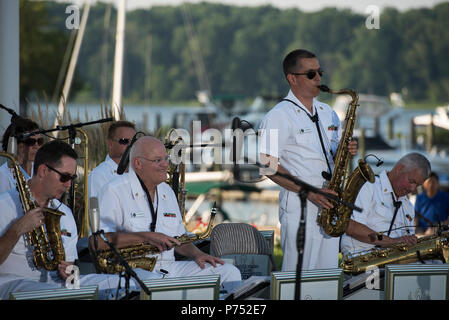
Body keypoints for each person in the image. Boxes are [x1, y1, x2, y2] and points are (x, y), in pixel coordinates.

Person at [0, 140, 158, 300]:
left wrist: (71, 271)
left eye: (72, 178)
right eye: (64, 177)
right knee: (57, 294)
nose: (69, 184)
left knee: (137, 282)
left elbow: (71, 268)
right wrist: (17, 229)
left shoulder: (64, 213)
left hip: (59, 283)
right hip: (14, 283)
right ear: (43, 171)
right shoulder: (4, 206)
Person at [97, 136, 242, 293]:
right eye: (158, 160)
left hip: (169, 269)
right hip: (132, 270)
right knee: (155, 284)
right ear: (138, 163)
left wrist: (198, 254)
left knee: (229, 272)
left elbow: (179, 237)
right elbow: (99, 241)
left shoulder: (167, 191)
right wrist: (146, 237)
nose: (166, 164)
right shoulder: (114, 190)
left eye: (166, 158)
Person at [258, 49, 357, 271]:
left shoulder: (328, 112)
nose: (319, 78)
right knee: (298, 278)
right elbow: (267, 165)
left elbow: (332, 156)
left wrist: (347, 151)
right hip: (300, 206)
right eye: (311, 74)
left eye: (319, 72)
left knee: (327, 275)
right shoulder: (277, 115)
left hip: (329, 205)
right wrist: (310, 192)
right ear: (292, 78)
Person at [341, 153, 431, 257]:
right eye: (411, 181)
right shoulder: (369, 186)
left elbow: (405, 243)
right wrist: (394, 242)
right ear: (399, 169)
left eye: (418, 185)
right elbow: (351, 227)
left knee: (436, 264)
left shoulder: (408, 206)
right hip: (361, 262)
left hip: (392, 264)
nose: (412, 189)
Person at [88, 120, 136, 198]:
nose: (130, 145)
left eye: (134, 141)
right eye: (124, 141)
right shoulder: (98, 175)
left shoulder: (140, 171)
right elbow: (94, 209)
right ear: (110, 144)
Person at [0, 117, 44, 193]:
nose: (36, 146)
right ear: (13, 144)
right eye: (30, 141)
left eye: (39, 141)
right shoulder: (3, 175)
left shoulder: (41, 169)